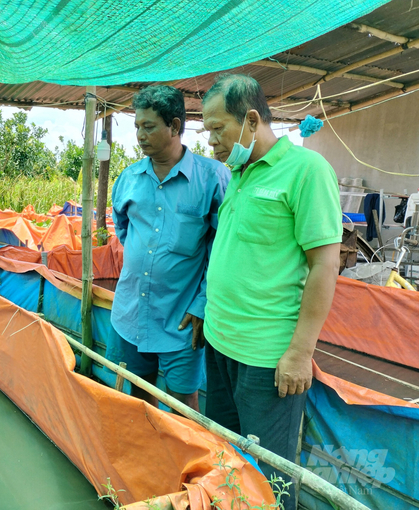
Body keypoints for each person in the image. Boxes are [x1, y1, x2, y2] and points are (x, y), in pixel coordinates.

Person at [201, 74, 342, 508]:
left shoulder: (307, 171)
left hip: (266, 359)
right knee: (223, 458)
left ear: (252, 119)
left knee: (270, 475)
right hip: (220, 343)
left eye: (217, 129)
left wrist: (300, 352)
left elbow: (325, 264)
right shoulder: (238, 174)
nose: (212, 143)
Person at [111, 85, 229, 411]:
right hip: (130, 313)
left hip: (183, 318)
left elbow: (221, 248)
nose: (140, 135)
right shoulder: (129, 179)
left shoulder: (212, 179)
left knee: (182, 402)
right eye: (137, 126)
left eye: (149, 126)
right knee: (137, 396)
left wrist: (203, 303)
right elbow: (123, 229)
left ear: (175, 126)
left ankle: (179, 461)